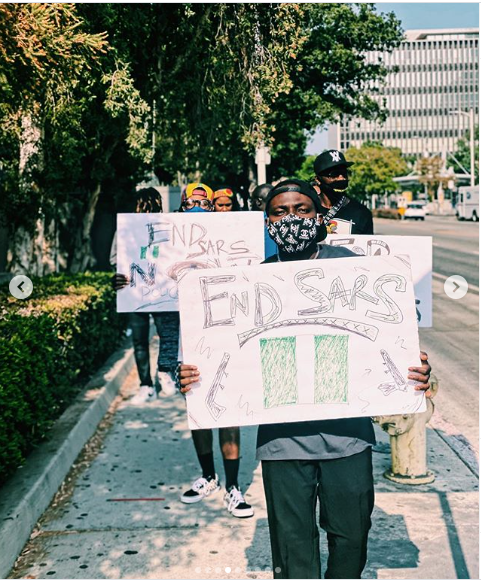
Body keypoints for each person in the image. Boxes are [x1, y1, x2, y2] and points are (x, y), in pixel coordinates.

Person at [179, 179, 432, 578]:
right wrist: (197, 376)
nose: (292, 218)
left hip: (347, 437)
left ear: (319, 218)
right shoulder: (248, 284)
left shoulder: (353, 270)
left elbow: (391, 339)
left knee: (352, 537)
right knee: (292, 545)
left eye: (302, 209)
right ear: (267, 222)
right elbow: (222, 358)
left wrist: (411, 367)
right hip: (283, 443)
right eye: (280, 211)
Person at [179, 184, 254, 519]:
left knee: (230, 409)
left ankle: (233, 486)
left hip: (229, 332)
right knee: (198, 407)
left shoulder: (237, 236)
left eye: (204, 203)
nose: (198, 208)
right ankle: (208, 477)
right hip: (191, 337)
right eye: (190, 203)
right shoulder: (176, 242)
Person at [112, 188, 178, 404]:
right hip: (136, 291)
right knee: (150, 338)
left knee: (158, 337)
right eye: (145, 204)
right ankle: (150, 383)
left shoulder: (169, 226)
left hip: (157, 291)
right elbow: (116, 258)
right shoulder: (125, 229)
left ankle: (156, 378)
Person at [312, 149, 374, 235]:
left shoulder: (362, 213)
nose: (341, 178)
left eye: (344, 173)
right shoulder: (307, 209)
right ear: (318, 180)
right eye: (334, 174)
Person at [249, 182, 277, 258]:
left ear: (258, 202)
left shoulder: (249, 223)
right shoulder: (281, 220)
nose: (251, 205)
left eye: (251, 201)